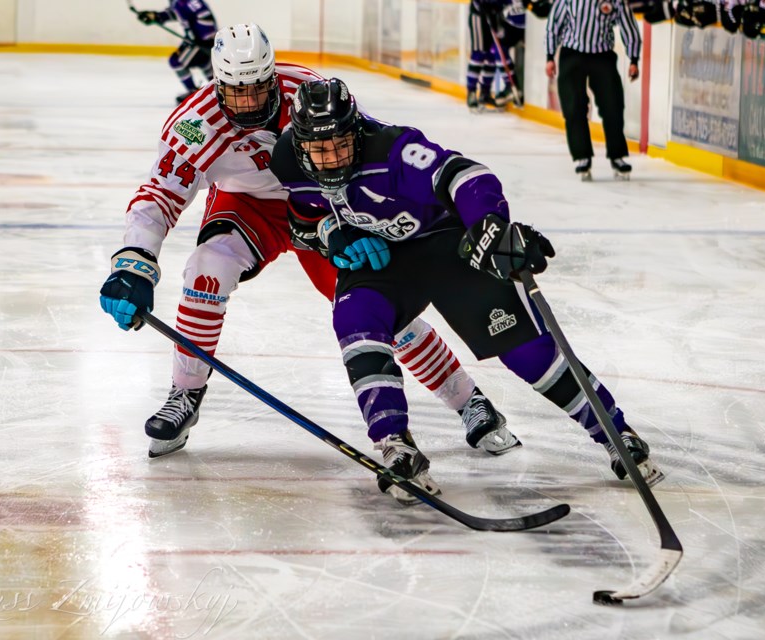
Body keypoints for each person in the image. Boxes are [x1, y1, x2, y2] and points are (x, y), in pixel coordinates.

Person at [99, 24, 518, 460]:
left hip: (322, 203)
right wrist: (133, 264)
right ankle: (185, 394)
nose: (246, 104)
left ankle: (468, 399)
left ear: (272, 77)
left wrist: (360, 220)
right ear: (217, 84)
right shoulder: (194, 124)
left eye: (257, 90)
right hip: (248, 206)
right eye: (235, 93)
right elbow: (159, 197)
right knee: (207, 267)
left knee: (381, 299)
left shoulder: (309, 90)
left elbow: (365, 147)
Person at [270, 78, 665, 504]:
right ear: (301, 143)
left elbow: (466, 175)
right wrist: (330, 235)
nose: (331, 160)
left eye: (341, 146)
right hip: (384, 263)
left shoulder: (394, 150)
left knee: (526, 352)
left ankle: (613, 430)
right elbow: (301, 216)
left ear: (357, 131)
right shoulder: (287, 160)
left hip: (447, 247)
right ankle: (395, 445)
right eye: (320, 150)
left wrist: (488, 225)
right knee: (354, 319)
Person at [545, 0, 641, 181]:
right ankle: (582, 156)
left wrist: (634, 59)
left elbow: (629, 26)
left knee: (613, 105)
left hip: (602, 56)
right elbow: (553, 25)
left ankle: (617, 156)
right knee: (574, 107)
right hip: (572, 54)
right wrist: (550, 56)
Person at [135, 0, 218, 103]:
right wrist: (155, 16)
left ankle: (193, 93)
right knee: (204, 64)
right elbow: (177, 13)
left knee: (176, 61)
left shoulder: (182, 2)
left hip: (200, 41)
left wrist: (204, 39)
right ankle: (220, 92)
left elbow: (204, 17)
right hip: (201, 40)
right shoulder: (179, 2)